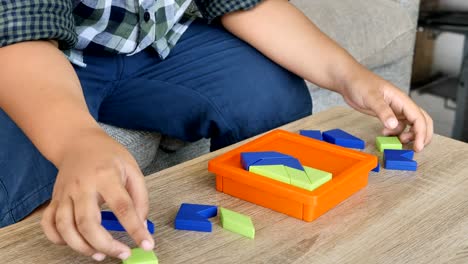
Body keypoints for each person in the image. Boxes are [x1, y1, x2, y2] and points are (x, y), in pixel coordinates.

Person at [0, 0, 433, 261]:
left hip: (161, 44)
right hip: (39, 54)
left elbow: (246, 3)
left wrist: (350, 76)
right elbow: (20, 33)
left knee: (272, 95)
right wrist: (78, 140)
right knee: (22, 157)